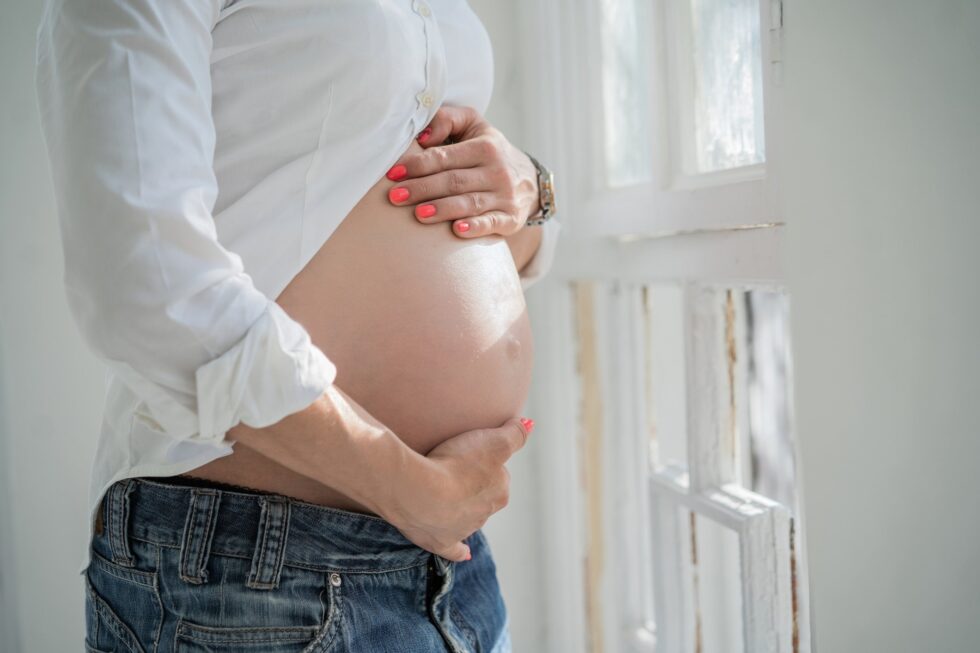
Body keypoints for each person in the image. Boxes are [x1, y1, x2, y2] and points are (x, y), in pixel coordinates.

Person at [33, 0, 561, 651]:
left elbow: (452, 212)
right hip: (260, 570)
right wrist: (402, 483)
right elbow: (143, 274)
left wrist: (532, 192)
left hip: (450, 558)